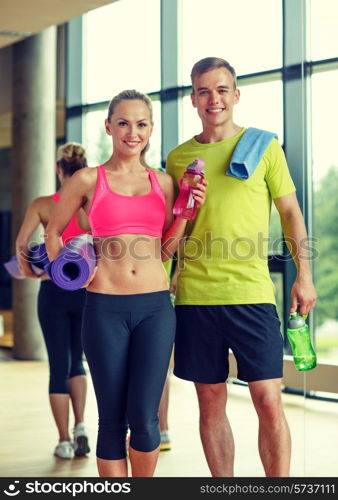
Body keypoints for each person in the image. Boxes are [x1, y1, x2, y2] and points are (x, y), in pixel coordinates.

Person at [166, 57, 317, 477]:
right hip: (196, 295)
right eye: (203, 91)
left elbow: (290, 213)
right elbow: (172, 228)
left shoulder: (264, 146)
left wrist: (304, 276)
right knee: (210, 400)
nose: (213, 99)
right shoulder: (178, 158)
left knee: (269, 398)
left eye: (221, 90)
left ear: (235, 95)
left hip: (251, 294)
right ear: (193, 98)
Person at [45, 89, 206, 477]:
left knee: (146, 418)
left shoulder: (164, 183)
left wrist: (186, 212)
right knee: (112, 420)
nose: (132, 133)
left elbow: (166, 251)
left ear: (150, 130)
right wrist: (70, 280)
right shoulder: (87, 179)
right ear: (109, 127)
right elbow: (52, 233)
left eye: (141, 124)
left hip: (154, 309)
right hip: (104, 309)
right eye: (123, 123)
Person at [15, 142, 91, 460]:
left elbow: (21, 244)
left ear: (58, 169)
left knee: (58, 365)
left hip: (53, 291)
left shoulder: (44, 204)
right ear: (83, 169)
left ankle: (64, 441)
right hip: (86, 291)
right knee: (78, 362)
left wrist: (31, 273)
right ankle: (82, 426)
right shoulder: (89, 205)